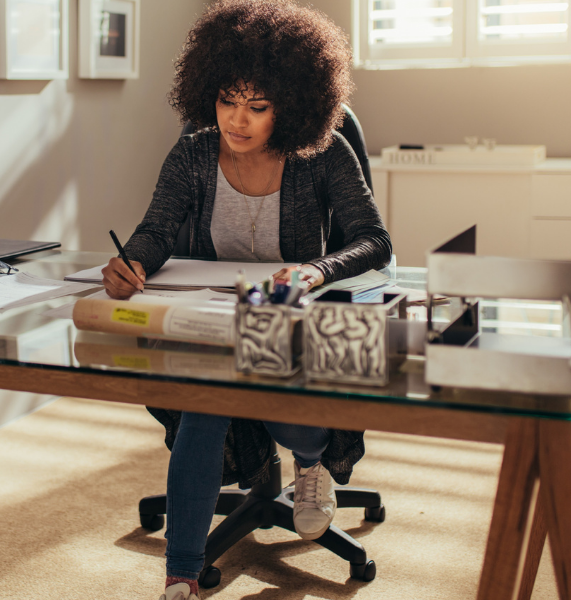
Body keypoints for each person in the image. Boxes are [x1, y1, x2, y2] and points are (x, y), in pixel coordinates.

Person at [98, 2, 392, 599]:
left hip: (291, 314)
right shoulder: (194, 154)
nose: (237, 119)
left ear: (292, 104)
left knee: (281, 404)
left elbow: (375, 240)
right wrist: (131, 262)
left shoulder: (324, 153)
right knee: (206, 397)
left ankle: (310, 467)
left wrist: (314, 271)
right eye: (228, 100)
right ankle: (181, 575)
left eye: (257, 107)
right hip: (219, 314)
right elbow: (157, 230)